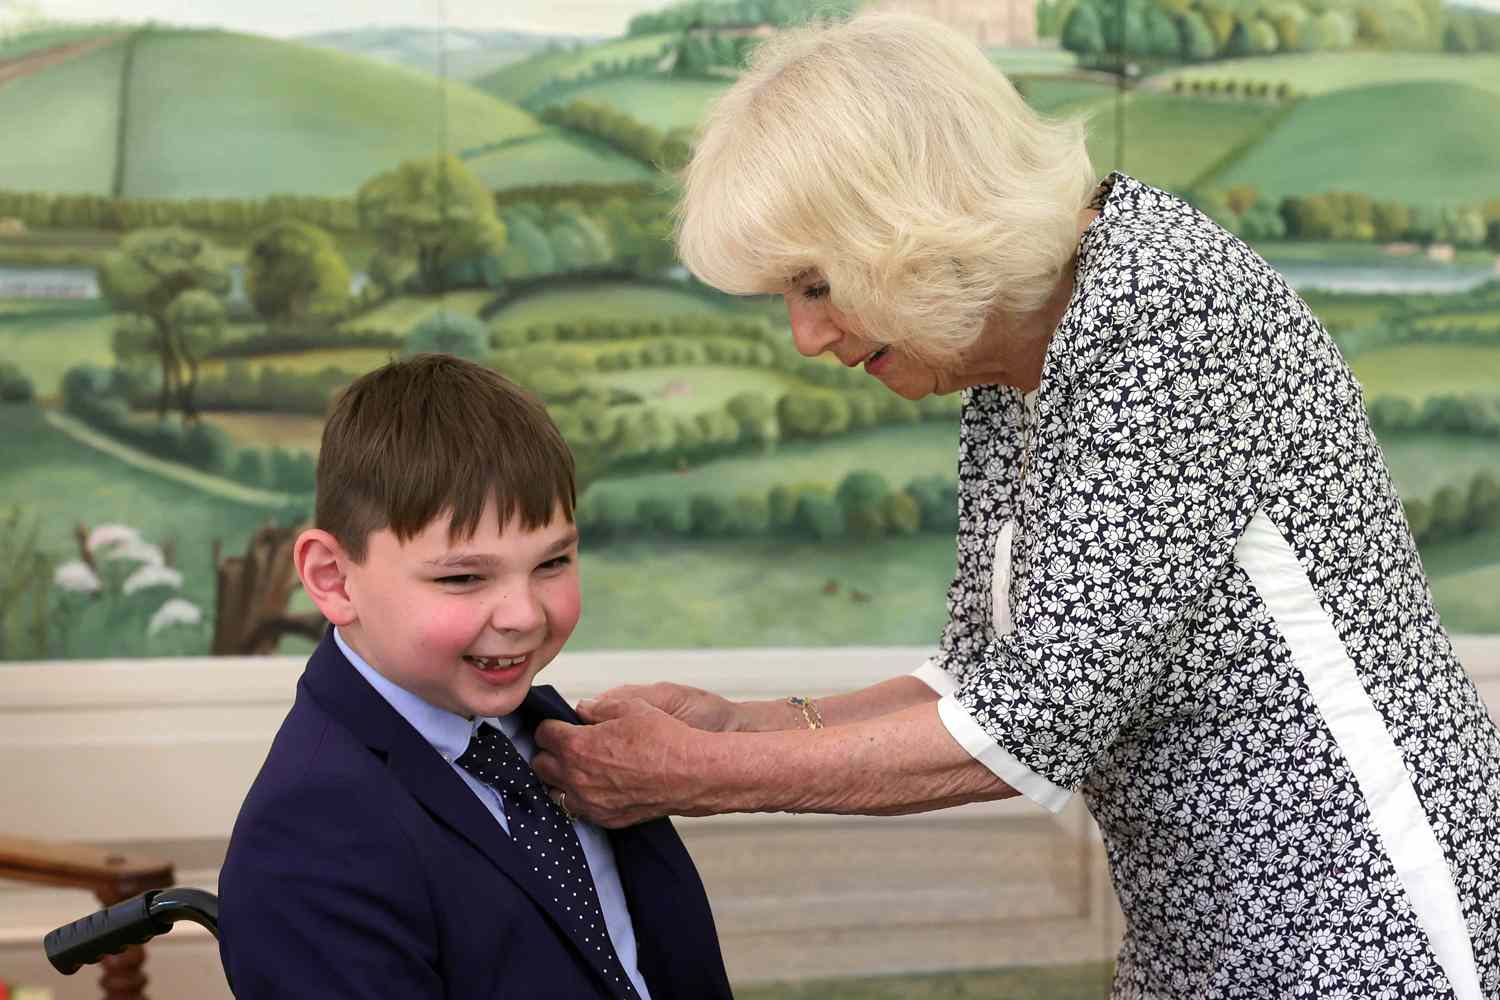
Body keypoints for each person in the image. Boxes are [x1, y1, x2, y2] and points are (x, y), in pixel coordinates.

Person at [531, 12, 1500, 998]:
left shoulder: (1164, 316)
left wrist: (695, 776)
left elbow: (1036, 724)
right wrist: (739, 725)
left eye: (817, 284)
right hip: (1209, 943)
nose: (805, 336)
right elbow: (982, 679)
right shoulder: (1018, 350)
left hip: (1371, 929)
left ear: (911, 220)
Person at [218, 354, 733, 1000]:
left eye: (553, 562)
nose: (523, 616)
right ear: (332, 577)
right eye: (463, 577)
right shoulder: (308, 838)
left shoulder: (563, 739)